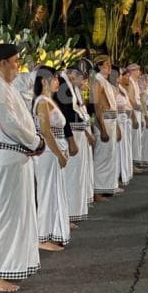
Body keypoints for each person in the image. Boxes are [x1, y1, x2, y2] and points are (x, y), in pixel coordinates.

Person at [0, 43, 46, 292]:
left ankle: (13, 266)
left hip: (17, 160)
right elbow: (11, 124)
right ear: (3, 62)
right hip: (5, 162)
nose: (19, 66)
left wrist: (35, 140)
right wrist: (35, 141)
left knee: (18, 215)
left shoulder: (5, 86)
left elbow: (23, 116)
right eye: (16, 61)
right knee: (3, 216)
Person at [32, 66, 71, 250]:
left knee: (54, 192)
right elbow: (46, 131)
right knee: (46, 193)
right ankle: (41, 236)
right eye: (54, 79)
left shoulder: (50, 101)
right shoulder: (42, 102)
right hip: (48, 153)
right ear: (44, 81)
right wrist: (59, 153)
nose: (58, 82)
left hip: (54, 151)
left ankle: (53, 231)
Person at [56, 64, 94, 226]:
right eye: (81, 77)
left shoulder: (70, 86)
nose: (83, 81)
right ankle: (67, 214)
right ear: (72, 74)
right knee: (70, 177)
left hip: (77, 133)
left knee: (76, 175)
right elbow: (65, 114)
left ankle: (72, 212)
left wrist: (85, 132)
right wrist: (71, 139)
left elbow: (79, 110)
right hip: (70, 134)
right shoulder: (63, 86)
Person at [92, 56, 121, 200]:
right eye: (106, 65)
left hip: (111, 120)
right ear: (99, 67)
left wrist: (117, 128)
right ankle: (97, 191)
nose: (109, 67)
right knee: (101, 157)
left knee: (109, 156)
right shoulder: (97, 82)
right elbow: (97, 106)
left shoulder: (106, 82)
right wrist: (103, 128)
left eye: (110, 64)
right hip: (104, 122)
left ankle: (108, 187)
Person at [114, 68, 137, 187]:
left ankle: (124, 172)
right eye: (123, 76)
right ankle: (117, 176)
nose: (127, 78)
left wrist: (132, 117)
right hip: (118, 120)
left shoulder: (122, 89)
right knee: (118, 149)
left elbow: (129, 104)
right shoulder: (114, 89)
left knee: (125, 148)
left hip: (125, 120)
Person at [126, 64, 146, 169]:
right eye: (138, 70)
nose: (140, 72)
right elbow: (130, 98)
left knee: (136, 139)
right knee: (133, 139)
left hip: (137, 112)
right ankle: (132, 164)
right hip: (133, 113)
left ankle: (135, 162)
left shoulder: (135, 82)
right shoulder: (130, 81)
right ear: (133, 71)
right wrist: (138, 107)